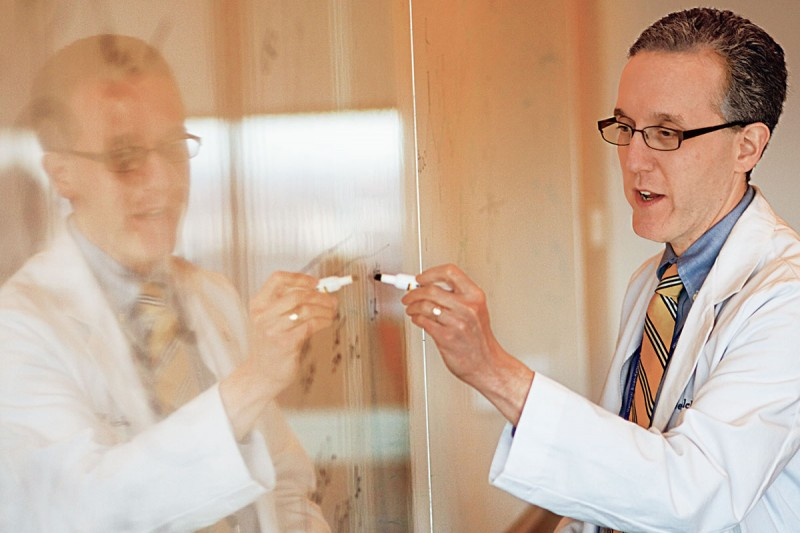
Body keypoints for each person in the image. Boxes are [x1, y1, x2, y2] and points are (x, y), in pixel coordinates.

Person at [402, 7, 800, 532]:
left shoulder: (785, 300)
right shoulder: (654, 284)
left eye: (666, 133)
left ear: (747, 145)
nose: (634, 160)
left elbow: (693, 495)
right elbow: (623, 478)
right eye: (626, 127)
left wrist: (491, 369)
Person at [0, 34, 338, 532]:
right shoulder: (19, 326)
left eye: (174, 147)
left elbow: (284, 486)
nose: (162, 180)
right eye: (125, 156)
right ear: (63, 175)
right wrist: (255, 380)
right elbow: (81, 512)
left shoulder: (212, 296)